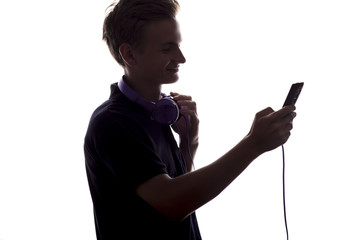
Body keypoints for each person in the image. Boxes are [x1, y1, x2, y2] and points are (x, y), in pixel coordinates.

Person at [83, 0, 297, 239]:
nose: (181, 58)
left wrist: (189, 142)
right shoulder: (114, 123)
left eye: (178, 45)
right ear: (129, 54)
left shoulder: (156, 112)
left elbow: (168, 191)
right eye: (167, 49)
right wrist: (253, 143)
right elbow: (172, 203)